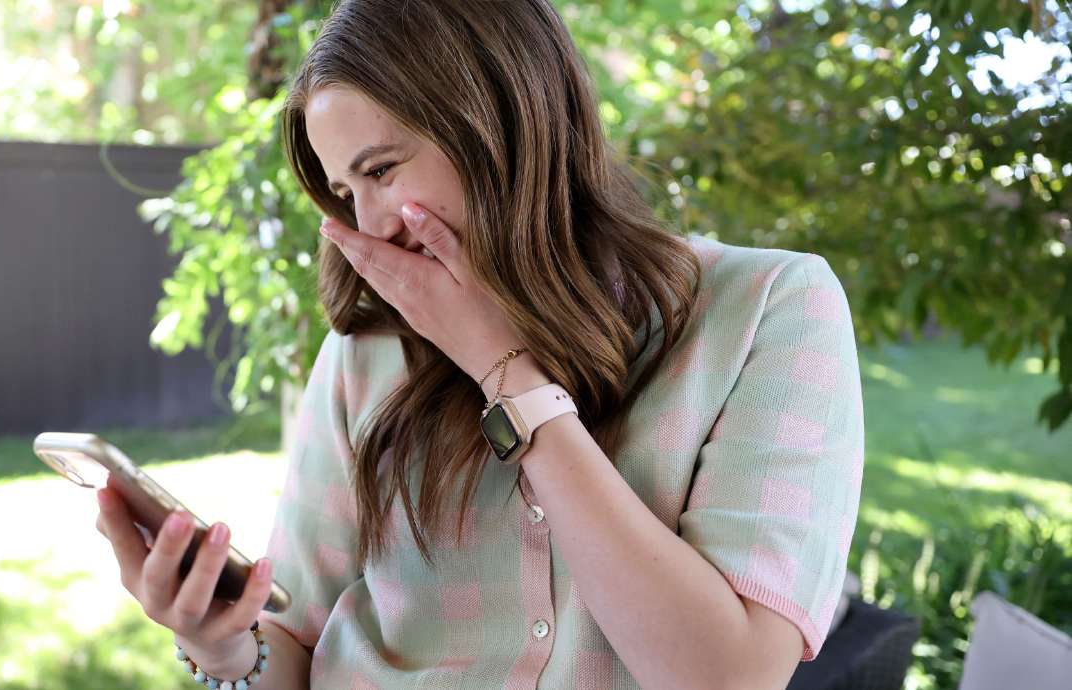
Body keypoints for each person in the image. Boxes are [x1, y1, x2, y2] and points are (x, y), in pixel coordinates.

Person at [95, 1, 865, 688]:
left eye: (383, 170)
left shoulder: (769, 310)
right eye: (347, 192)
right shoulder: (370, 351)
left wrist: (504, 371)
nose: (372, 226)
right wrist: (222, 646)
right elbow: (294, 640)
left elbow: (727, 676)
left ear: (499, 118)